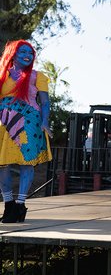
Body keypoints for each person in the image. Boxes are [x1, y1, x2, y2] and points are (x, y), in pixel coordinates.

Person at [0, 40, 52, 223]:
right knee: (2, 165)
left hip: (29, 123)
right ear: (13, 54)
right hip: (3, 125)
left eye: (30, 52)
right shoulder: (2, 75)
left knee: (26, 163)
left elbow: (45, 102)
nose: (27, 55)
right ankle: (8, 204)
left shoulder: (38, 76)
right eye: (23, 51)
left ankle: (20, 205)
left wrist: (45, 122)